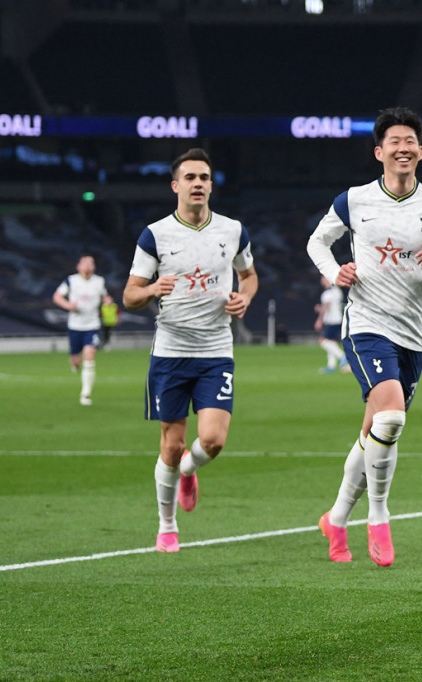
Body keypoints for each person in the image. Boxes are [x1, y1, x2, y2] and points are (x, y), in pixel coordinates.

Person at [307, 106, 422, 567]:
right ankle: (378, 516)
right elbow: (317, 242)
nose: (403, 148)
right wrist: (335, 271)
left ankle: (336, 519)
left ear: (421, 150)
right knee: (392, 417)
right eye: (393, 141)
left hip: (412, 335)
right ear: (379, 152)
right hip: (365, 325)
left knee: (374, 432)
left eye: (410, 141)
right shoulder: (354, 199)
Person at [123, 148, 258, 554]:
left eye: (204, 177)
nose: (198, 184)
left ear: (211, 185)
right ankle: (167, 525)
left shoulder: (233, 230)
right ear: (175, 185)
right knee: (170, 444)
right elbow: (129, 295)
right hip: (170, 353)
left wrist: (244, 298)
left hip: (216, 350)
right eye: (190, 178)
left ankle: (189, 469)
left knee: (213, 441)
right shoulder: (155, 234)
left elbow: (248, 276)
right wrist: (150, 289)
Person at [52, 253, 108, 405]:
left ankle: (86, 393)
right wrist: (67, 305)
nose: (88, 266)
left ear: (94, 267)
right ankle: (75, 364)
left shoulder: (99, 281)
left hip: (92, 324)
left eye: (90, 263)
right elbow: (57, 296)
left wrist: (108, 301)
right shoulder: (71, 281)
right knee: (76, 360)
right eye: (85, 263)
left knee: (89, 356)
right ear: (79, 266)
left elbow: (104, 296)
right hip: (75, 325)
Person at [314, 275, 349, 373]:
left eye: (323, 278)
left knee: (322, 341)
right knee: (332, 343)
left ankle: (342, 356)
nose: (321, 280)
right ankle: (331, 365)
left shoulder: (328, 293)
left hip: (330, 320)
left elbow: (327, 306)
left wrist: (319, 319)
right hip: (338, 319)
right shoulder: (337, 291)